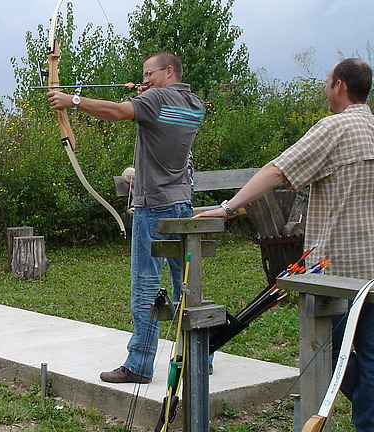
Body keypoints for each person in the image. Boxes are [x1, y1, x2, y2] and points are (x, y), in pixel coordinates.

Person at [196, 58, 374, 431]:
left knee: (327, 351)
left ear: (340, 86)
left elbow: (278, 170)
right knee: (370, 357)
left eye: (327, 81)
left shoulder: (334, 128)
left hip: (335, 272)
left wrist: (227, 208)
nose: (325, 88)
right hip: (370, 273)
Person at [48, 51, 206, 383]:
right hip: (181, 205)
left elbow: (119, 111)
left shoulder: (157, 99)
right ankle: (201, 356)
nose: (145, 80)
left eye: (150, 74)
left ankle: (139, 365)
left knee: (146, 286)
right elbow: (157, 124)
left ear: (168, 71)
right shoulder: (194, 104)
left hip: (155, 208)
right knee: (187, 286)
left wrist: (71, 100)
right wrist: (147, 95)